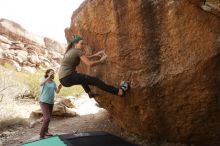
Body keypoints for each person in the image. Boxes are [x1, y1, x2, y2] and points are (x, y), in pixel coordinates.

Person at [59, 35, 129, 98]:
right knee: (95, 80)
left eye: (83, 43)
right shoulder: (77, 51)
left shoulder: (71, 51)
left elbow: (85, 57)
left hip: (63, 79)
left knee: (82, 78)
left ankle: (89, 93)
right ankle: (119, 92)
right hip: (68, 77)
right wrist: (101, 61)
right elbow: (89, 64)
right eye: (81, 43)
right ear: (75, 44)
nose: (83, 45)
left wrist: (96, 55)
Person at [39, 69, 62, 139]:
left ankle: (46, 132)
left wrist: (59, 88)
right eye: (51, 73)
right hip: (43, 101)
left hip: (51, 102)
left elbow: (57, 92)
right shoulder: (44, 79)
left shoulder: (53, 82)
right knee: (47, 118)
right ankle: (41, 134)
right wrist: (48, 78)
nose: (52, 74)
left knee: (48, 118)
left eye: (53, 73)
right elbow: (41, 84)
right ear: (47, 73)